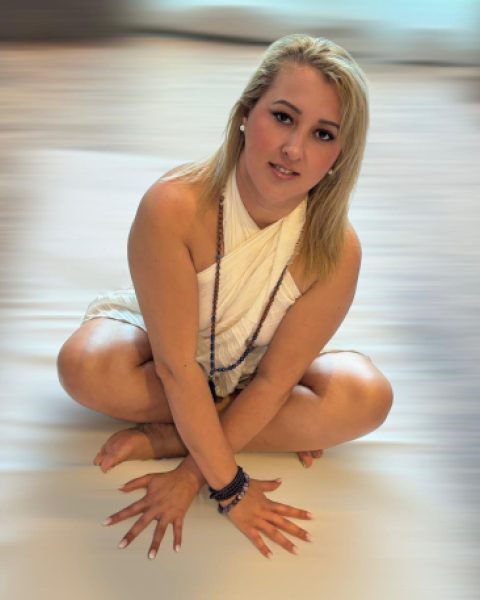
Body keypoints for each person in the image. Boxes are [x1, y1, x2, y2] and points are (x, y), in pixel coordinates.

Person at [57, 33, 393, 560]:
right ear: (244, 113)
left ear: (339, 156)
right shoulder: (172, 206)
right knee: (84, 366)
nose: (294, 149)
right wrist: (233, 485)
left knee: (368, 398)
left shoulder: (339, 250)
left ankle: (174, 435)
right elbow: (175, 368)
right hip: (167, 347)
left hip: (259, 360)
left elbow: (274, 381)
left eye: (322, 134)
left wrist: (195, 473)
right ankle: (220, 428)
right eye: (282, 117)